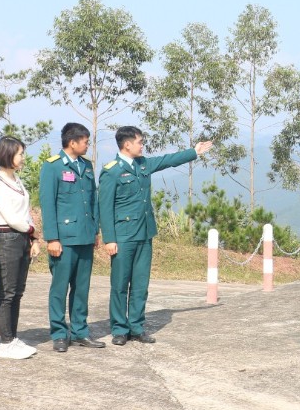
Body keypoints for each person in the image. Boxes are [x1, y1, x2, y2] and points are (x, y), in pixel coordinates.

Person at [98, 126, 213, 346]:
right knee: (120, 285)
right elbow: (104, 207)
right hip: (123, 236)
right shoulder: (111, 171)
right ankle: (119, 329)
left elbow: (167, 161)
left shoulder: (143, 164)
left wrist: (194, 152)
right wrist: (109, 239)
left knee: (140, 284)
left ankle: (136, 327)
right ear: (127, 144)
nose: (142, 145)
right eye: (139, 142)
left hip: (144, 233)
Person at [40, 122, 105, 352]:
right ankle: (59, 333)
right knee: (60, 289)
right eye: (85, 142)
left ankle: (80, 332)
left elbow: (93, 200)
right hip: (64, 239)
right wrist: (52, 238)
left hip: (85, 237)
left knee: (81, 288)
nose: (87, 145)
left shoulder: (86, 166)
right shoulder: (53, 166)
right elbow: (48, 204)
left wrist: (95, 231)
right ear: (72, 142)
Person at [0, 136, 40, 360]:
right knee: (7, 292)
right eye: (20, 154)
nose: (23, 158)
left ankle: (13, 337)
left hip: (22, 237)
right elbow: (11, 217)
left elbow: (25, 212)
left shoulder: (16, 179)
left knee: (17, 292)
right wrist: (32, 231)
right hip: (7, 239)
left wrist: (33, 238)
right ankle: (5, 342)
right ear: (8, 155)